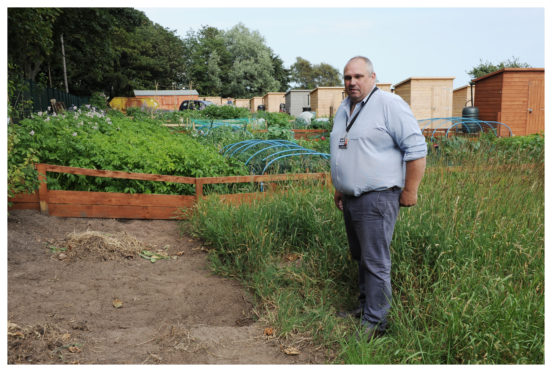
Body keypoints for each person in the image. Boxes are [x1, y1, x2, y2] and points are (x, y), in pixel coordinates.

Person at [330, 56, 427, 339]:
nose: (352, 82)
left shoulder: (389, 105)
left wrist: (411, 190)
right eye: (347, 78)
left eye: (358, 77)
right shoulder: (344, 109)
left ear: (373, 77)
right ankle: (366, 309)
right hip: (351, 198)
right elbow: (343, 149)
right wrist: (340, 185)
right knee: (361, 257)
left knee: (375, 261)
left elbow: (416, 149)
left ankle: (377, 323)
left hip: (377, 198)